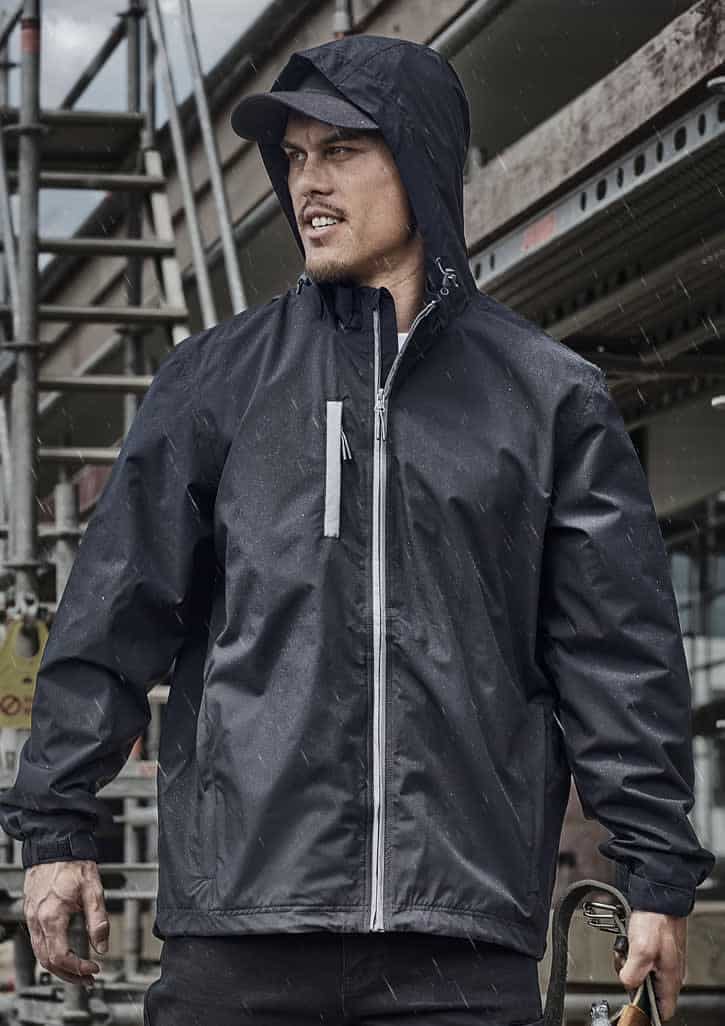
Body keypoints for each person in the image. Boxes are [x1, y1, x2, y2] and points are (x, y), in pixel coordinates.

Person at [0, 32, 714, 1026]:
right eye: (294, 157)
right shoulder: (215, 383)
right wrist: (57, 829)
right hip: (242, 928)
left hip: (456, 942)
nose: (308, 183)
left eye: (340, 150)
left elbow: (615, 654)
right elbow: (113, 616)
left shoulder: (548, 399)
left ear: (418, 160)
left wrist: (655, 875)